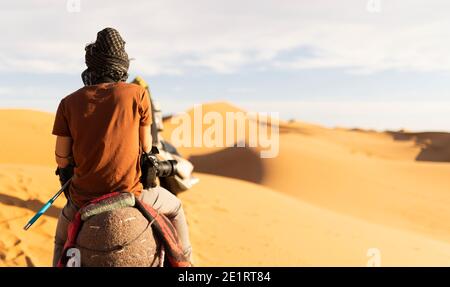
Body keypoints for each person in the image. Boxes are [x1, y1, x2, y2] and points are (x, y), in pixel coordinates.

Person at [51, 27, 192, 266]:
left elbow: (62, 160)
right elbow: (147, 146)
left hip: (83, 197)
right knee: (176, 207)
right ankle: (187, 266)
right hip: (133, 191)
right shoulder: (138, 94)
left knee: (61, 238)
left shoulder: (68, 103)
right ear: (122, 65)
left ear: (92, 66)